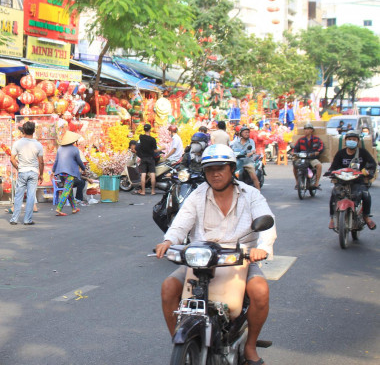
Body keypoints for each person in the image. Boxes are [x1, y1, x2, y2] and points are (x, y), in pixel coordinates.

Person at [155, 144, 276, 365]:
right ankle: (181, 343)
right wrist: (168, 241)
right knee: (168, 288)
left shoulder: (251, 195)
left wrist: (263, 248)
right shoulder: (197, 195)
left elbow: (267, 223)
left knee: (260, 291)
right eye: (210, 170)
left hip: (241, 257)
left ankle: (249, 347)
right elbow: (181, 223)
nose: (215, 174)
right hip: (202, 257)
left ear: (232, 170)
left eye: (221, 168)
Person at [327, 131, 377, 231]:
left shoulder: (363, 153)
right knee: (334, 194)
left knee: (365, 195)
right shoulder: (340, 153)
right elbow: (333, 167)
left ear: (358, 141)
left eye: (354, 140)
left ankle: (366, 217)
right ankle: (332, 218)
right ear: (346, 141)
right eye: (349, 139)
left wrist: (367, 171)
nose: (352, 141)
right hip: (342, 181)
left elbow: (372, 164)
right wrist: (331, 172)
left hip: (358, 181)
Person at [10, 121, 44, 225]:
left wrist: (18, 167)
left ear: (23, 131)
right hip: (33, 172)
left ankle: (14, 219)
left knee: (18, 195)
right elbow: (41, 162)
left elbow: (12, 159)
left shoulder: (17, 143)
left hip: (22, 172)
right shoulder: (38, 145)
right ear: (33, 131)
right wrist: (41, 174)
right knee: (30, 196)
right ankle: (27, 219)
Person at [52, 131, 86, 216]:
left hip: (61, 173)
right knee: (66, 190)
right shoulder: (75, 149)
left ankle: (74, 208)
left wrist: (53, 170)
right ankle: (59, 208)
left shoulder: (60, 149)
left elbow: (56, 161)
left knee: (69, 189)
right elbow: (79, 161)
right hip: (70, 173)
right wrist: (83, 168)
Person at [292, 122, 324, 189]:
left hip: (312, 158)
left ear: (311, 130)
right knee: (295, 166)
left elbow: (321, 146)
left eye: (308, 129)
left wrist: (318, 152)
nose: (306, 131)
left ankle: (316, 183)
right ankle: (297, 182)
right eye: (305, 129)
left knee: (319, 166)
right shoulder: (301, 140)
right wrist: (293, 152)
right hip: (302, 158)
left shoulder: (316, 139)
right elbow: (295, 148)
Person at [136, 124, 159, 195]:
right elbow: (155, 150)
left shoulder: (141, 137)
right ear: (150, 129)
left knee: (143, 175)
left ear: (144, 129)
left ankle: (143, 191)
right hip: (150, 158)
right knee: (152, 174)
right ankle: (153, 191)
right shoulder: (153, 140)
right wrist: (162, 149)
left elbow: (138, 145)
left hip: (143, 158)